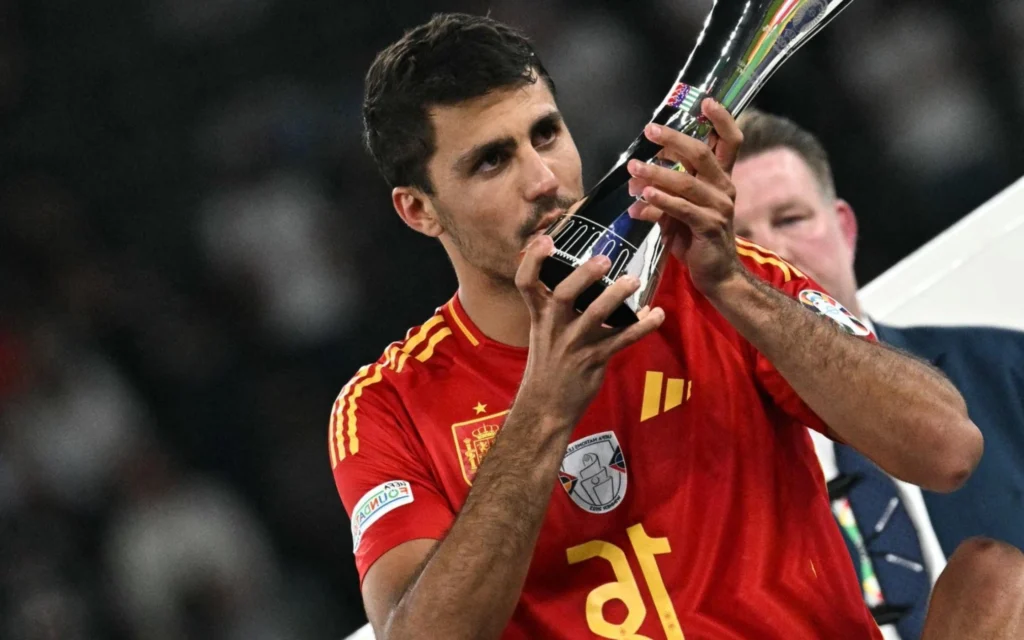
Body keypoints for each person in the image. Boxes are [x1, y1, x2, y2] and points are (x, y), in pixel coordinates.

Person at [329, 13, 997, 640]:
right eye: (491, 161)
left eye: (546, 135)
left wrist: (734, 287)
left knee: (995, 582)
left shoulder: (714, 277)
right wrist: (544, 407)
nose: (542, 181)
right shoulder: (387, 405)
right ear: (419, 210)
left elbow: (949, 452)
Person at [731, 108, 1024, 639]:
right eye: (737, 244)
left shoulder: (1005, 372)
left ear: (844, 228)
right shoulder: (715, 471)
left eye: (790, 219)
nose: (770, 255)